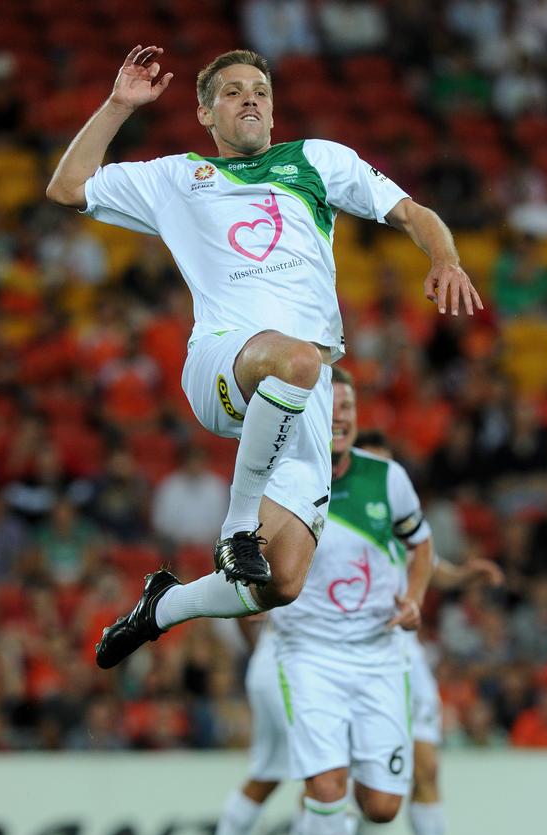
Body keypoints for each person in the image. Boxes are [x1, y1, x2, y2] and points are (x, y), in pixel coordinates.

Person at [46, 45, 482, 670]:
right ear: (204, 112)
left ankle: (161, 608)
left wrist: (445, 257)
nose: (249, 97)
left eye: (260, 89)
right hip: (224, 364)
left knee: (280, 583)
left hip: (298, 392)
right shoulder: (178, 179)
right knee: (300, 363)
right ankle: (236, 528)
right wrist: (119, 105)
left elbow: (414, 212)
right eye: (231, 91)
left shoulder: (316, 160)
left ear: (274, 111)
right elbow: (67, 187)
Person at [190, 367, 435, 835]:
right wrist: (246, 592)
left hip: (380, 657)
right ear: (312, 413)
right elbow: (238, 547)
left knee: (381, 807)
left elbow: (420, 543)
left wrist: (415, 598)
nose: (343, 417)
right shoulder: (280, 480)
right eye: (333, 407)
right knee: (324, 782)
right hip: (308, 657)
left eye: (350, 407)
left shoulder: (388, 479)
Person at [355, 428, 505, 835]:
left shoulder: (400, 525)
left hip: (406, 657)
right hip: (352, 657)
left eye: (386, 467)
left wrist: (466, 575)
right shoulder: (333, 520)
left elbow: (432, 565)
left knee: (429, 766)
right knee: (337, 775)